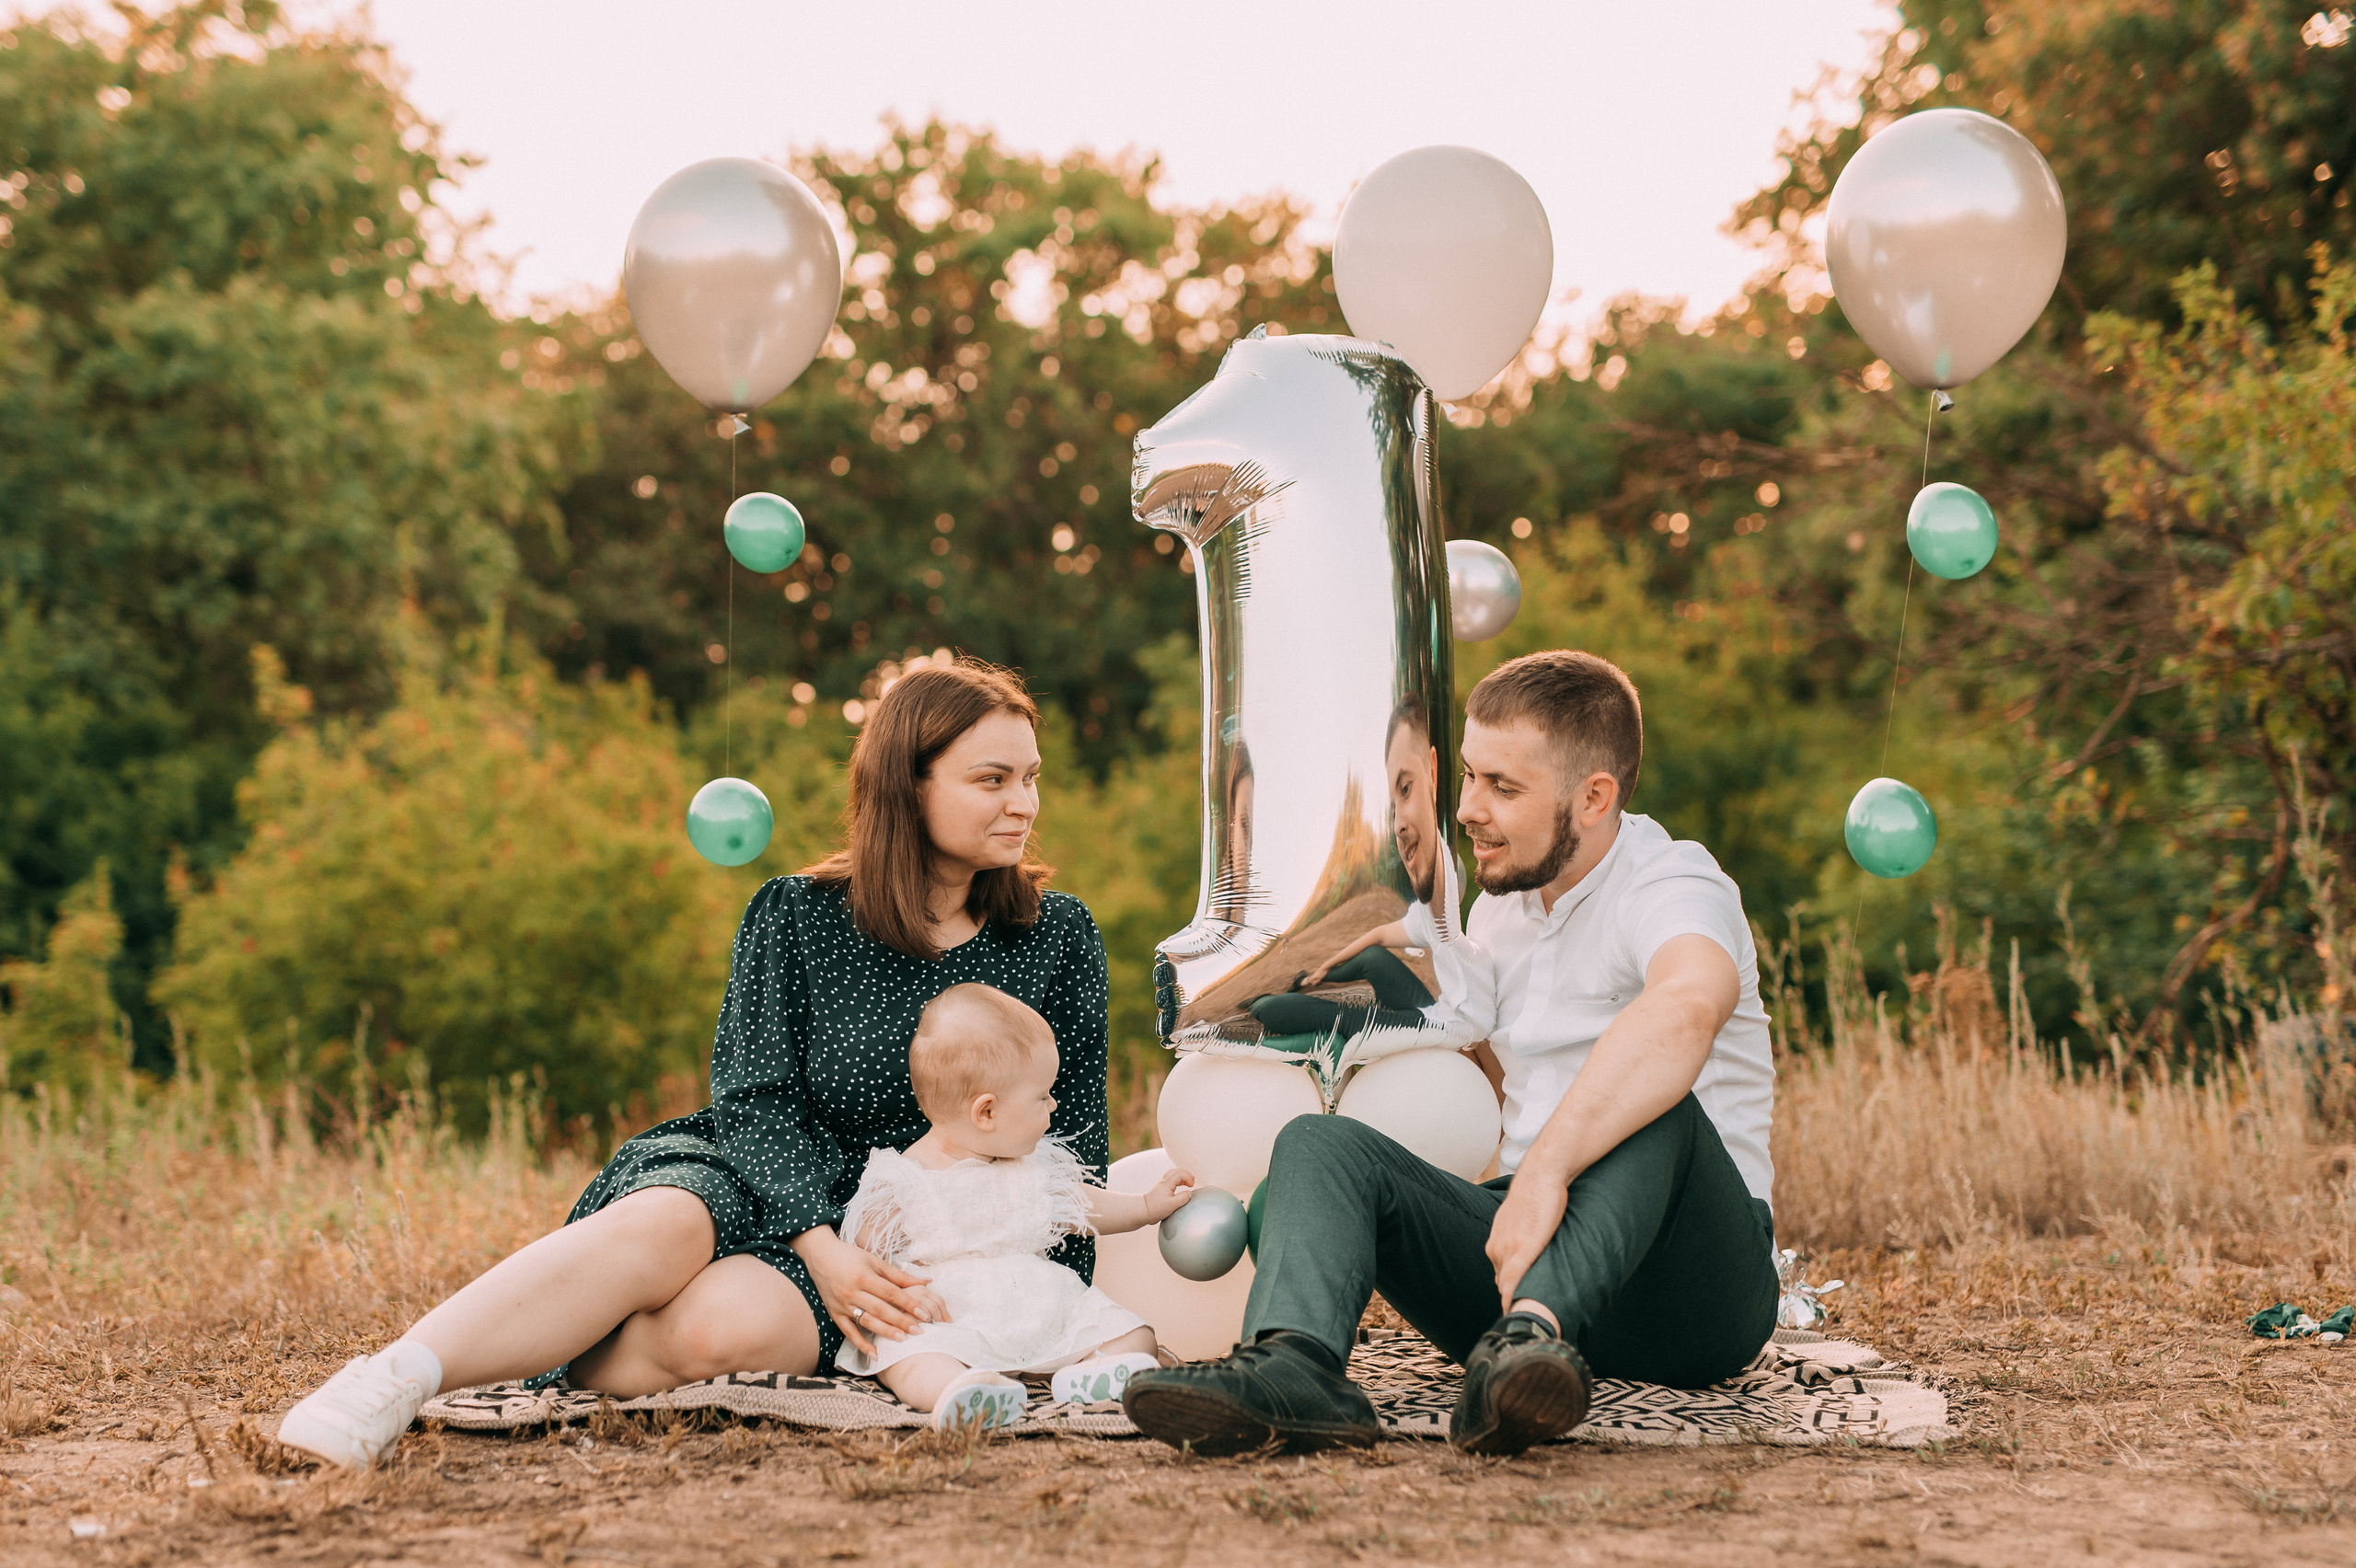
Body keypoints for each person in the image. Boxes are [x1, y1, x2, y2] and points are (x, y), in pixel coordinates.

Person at [275, 659, 1112, 1470]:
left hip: (919, 1229)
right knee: (666, 1223)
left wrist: (1033, 1301)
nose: (1023, 804)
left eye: (1031, 779)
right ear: (909, 785)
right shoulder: (797, 915)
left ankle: (546, 1339)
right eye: (993, 780)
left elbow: (1071, 1132)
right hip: (764, 1168)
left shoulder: (1058, 935)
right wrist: (820, 1245)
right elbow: (752, 1097)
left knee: (724, 1333)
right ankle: (390, 1379)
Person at [1123, 650, 1778, 1458]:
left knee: (1654, 1095)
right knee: (1319, 1145)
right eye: (1467, 776)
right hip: (1524, 1255)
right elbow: (1481, 1059)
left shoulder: (1674, 884)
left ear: (1595, 798)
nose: (1466, 808)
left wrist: (1542, 1174)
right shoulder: (1502, 907)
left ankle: (1531, 1337)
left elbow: (1684, 1009)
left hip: (1696, 1292)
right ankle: (1297, 1368)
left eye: (1503, 788)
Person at [836, 982, 1194, 1428]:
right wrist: (904, 1294)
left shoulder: (1032, 1168)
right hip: (951, 1315)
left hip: (1040, 1305)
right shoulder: (903, 1179)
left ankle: (1088, 1375)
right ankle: (960, 1390)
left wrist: (1145, 1204)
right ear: (986, 1113)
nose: (1054, 1103)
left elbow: (1084, 1208)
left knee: (1135, 1335)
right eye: (1042, 1095)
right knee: (909, 1353)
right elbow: (864, 1251)